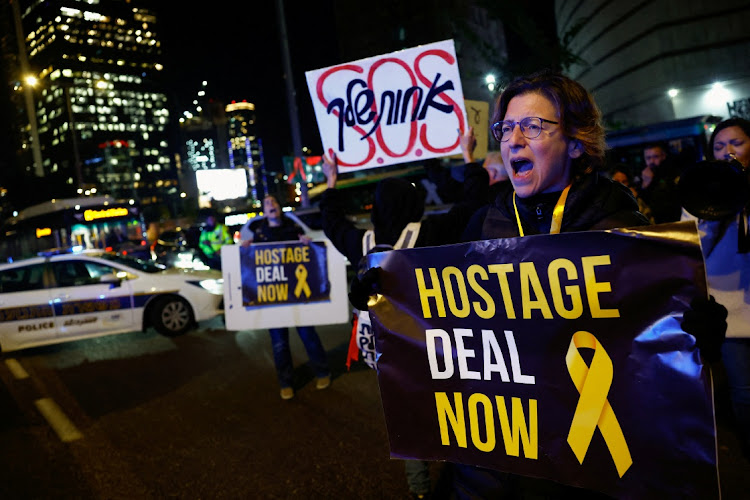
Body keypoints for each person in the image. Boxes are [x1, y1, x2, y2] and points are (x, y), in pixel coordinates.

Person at [353, 69, 728, 498]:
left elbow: (655, 362)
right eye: (507, 127)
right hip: (488, 467)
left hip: (579, 468)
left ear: (575, 142)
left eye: (533, 126)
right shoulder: (484, 222)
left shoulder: (619, 231)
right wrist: (380, 292)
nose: (514, 140)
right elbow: (432, 307)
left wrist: (697, 334)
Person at [321, 128, 490, 500]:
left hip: (385, 353)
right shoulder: (427, 234)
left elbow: (332, 223)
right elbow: (475, 205)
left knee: (407, 417)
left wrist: (331, 181)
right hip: (431, 350)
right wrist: (468, 158)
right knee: (453, 408)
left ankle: (420, 491)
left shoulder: (364, 244)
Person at [681, 117, 750, 457]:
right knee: (743, 393)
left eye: (735, 143)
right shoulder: (701, 191)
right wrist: (715, 213)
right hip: (731, 316)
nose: (727, 152)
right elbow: (690, 254)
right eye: (719, 147)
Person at [240, 195, 330, 400]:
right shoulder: (259, 234)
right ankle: (286, 382)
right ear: (264, 211)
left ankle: (323, 371)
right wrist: (246, 250)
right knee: (279, 343)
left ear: (280, 208)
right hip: (274, 299)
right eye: (268, 203)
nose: (272, 205)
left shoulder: (293, 228)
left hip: (296, 295)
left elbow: (309, 257)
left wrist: (306, 243)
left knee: (309, 336)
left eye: (275, 202)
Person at [639, 142, 682, 224]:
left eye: (655, 157)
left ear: (663, 156)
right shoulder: (643, 176)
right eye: (648, 158)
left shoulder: (672, 174)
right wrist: (645, 185)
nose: (651, 161)